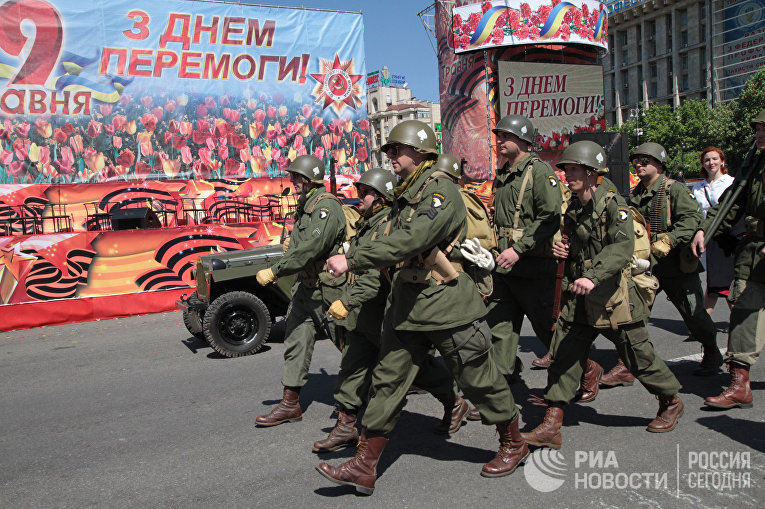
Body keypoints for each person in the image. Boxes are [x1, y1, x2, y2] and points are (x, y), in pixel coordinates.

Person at [316, 120, 527, 495]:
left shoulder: (440, 191)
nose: (391, 157)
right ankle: (365, 465)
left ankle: (513, 442)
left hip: (447, 304)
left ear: (420, 151)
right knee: (387, 381)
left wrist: (355, 259)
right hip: (408, 306)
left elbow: (414, 239)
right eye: (390, 151)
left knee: (479, 379)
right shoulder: (405, 192)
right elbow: (393, 236)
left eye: (397, 150)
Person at [522, 141, 684, 449]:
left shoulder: (613, 205)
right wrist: (564, 251)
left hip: (613, 295)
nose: (568, 174)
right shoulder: (574, 204)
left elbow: (619, 249)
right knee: (564, 355)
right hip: (580, 295)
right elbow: (576, 244)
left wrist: (592, 276)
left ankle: (670, 400)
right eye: (566, 168)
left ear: (592, 172)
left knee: (639, 357)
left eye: (574, 169)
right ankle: (551, 424)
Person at [313, 168, 469, 453]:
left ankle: (454, 402)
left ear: (383, 197)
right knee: (352, 367)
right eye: (359, 192)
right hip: (363, 316)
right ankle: (346, 425)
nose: (359, 197)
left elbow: (375, 274)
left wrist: (347, 301)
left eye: (366, 193)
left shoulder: (387, 224)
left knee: (416, 370)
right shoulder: (367, 223)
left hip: (383, 313)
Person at [599, 142, 721, 385]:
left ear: (659, 163)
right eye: (636, 160)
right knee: (634, 316)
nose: (637, 165)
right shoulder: (637, 195)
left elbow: (692, 220)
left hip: (675, 266)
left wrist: (669, 239)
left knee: (694, 315)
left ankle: (712, 351)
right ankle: (628, 364)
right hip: (648, 266)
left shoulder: (672, 189)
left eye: (644, 161)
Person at [253, 154, 346, 427]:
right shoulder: (306, 206)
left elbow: (312, 248)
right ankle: (290, 404)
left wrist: (276, 270)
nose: (292, 182)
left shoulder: (326, 207)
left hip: (329, 291)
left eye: (296, 177)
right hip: (305, 290)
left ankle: (367, 400)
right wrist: (289, 249)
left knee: (352, 348)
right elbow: (300, 244)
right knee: (295, 342)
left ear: (308, 179)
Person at [692, 109, 765, 410]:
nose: (758, 134)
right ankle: (739, 385)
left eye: (764, 129)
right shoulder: (755, 164)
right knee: (744, 314)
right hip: (755, 254)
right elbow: (731, 207)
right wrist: (703, 231)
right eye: (757, 129)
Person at [486, 114, 563, 378]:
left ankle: (585, 371)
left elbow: (550, 218)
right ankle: (499, 395)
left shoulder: (539, 171)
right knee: (500, 330)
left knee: (547, 329)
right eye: (499, 136)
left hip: (533, 266)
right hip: (504, 267)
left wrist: (518, 249)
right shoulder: (504, 174)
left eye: (506, 136)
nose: (500, 141)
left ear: (522, 139)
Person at [691, 147, 735, 315]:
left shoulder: (731, 182)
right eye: (707, 160)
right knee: (715, 279)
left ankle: (704, 322)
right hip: (706, 237)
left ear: (722, 161)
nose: (711, 163)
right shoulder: (697, 187)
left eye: (715, 159)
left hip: (725, 238)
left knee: (721, 280)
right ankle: (705, 322)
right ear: (703, 164)